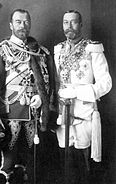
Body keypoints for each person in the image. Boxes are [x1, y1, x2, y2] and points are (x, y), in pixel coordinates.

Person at [0, 8, 58, 184]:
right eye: (18, 21)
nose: (23, 25)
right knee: (8, 163)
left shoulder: (40, 52)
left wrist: (41, 97)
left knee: (30, 164)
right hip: (10, 116)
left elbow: (47, 81)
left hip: (34, 117)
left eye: (26, 21)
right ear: (10, 25)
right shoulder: (2, 50)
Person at [54, 10, 112, 184]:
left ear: (81, 24)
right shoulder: (58, 50)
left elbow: (106, 84)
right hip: (62, 115)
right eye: (66, 22)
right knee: (66, 163)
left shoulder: (93, 49)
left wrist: (77, 92)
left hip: (84, 115)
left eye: (73, 22)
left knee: (83, 163)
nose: (69, 26)